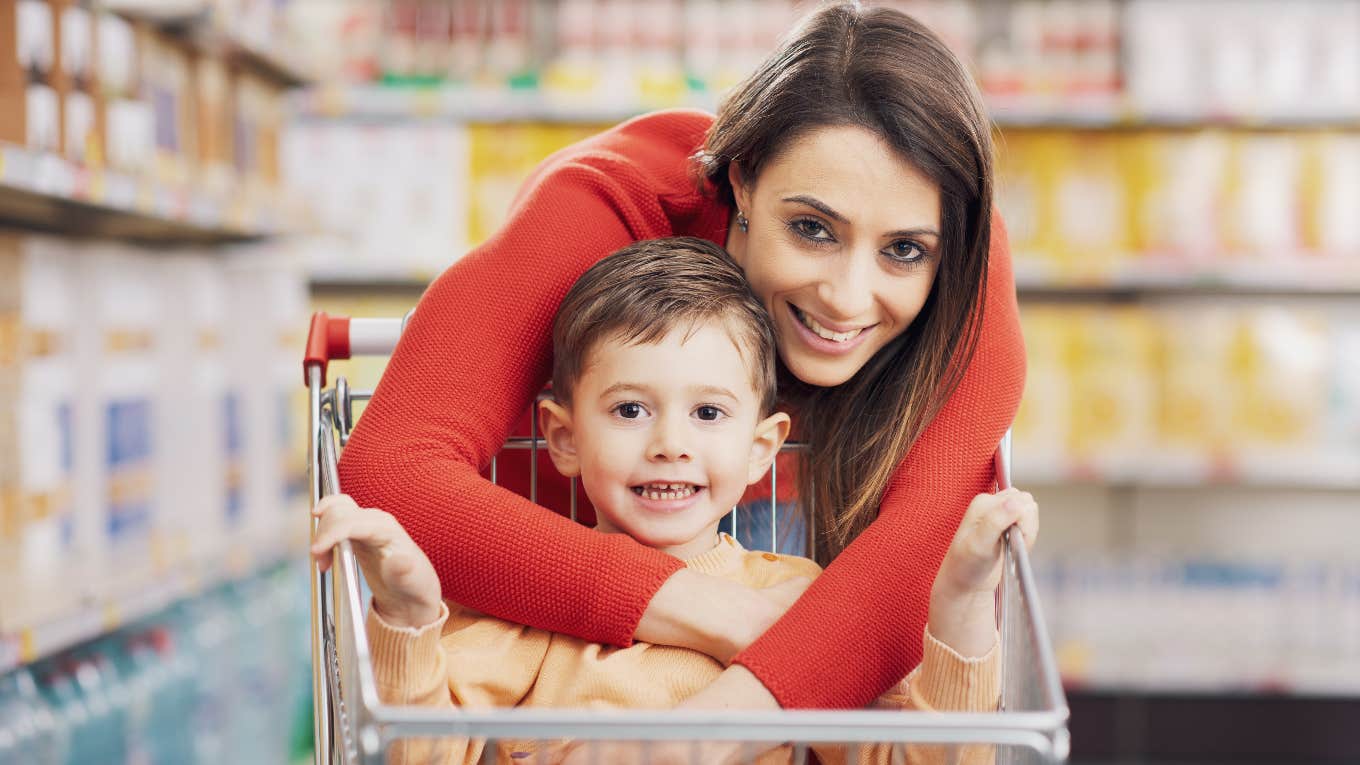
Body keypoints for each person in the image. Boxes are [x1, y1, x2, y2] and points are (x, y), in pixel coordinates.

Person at [337, 2, 1025, 714]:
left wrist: (692, 733)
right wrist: (737, 620)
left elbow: (919, 560)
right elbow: (390, 470)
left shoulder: (967, 251)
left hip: (779, 537)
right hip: (533, 549)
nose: (848, 298)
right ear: (744, 177)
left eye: (903, 250)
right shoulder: (607, 202)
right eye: (813, 228)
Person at [312, 238, 1039, 764]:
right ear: (561, 437)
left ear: (763, 446)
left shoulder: (800, 599)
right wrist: (406, 612)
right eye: (630, 410)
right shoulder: (526, 620)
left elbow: (923, 759)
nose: (669, 443)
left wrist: (963, 607)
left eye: (709, 414)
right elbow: (424, 752)